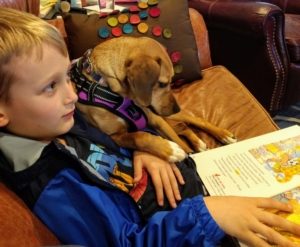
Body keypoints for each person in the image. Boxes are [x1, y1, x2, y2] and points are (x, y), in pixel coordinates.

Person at [0, 7, 300, 247]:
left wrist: (142, 151)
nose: (73, 94)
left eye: (67, 76)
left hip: (193, 192)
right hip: (193, 224)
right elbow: (128, 240)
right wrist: (209, 216)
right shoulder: (54, 185)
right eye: (50, 86)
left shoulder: (58, 123)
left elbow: (115, 142)